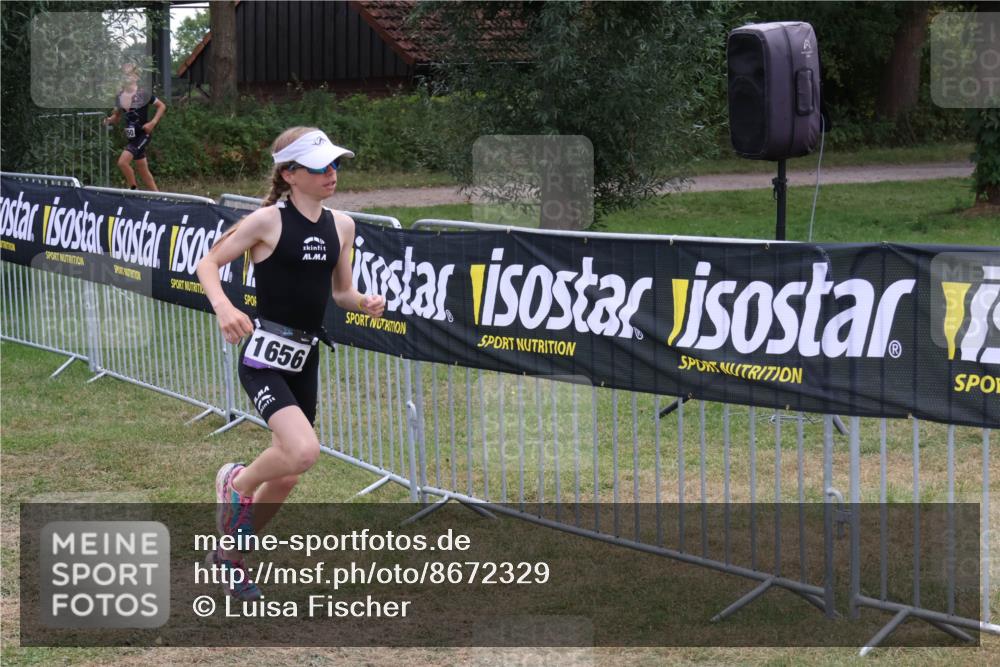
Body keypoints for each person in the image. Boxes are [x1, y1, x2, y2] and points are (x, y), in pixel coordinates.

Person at [196, 127, 386, 600]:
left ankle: (228, 557)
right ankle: (236, 482)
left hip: (305, 357)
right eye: (320, 167)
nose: (331, 174)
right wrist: (224, 307)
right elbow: (207, 264)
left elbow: (341, 292)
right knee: (302, 451)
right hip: (263, 359)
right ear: (290, 174)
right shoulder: (266, 221)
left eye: (335, 164)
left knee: (286, 475)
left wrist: (363, 301)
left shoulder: (343, 226)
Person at [103, 64, 166, 191]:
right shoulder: (119, 96)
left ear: (136, 77)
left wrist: (152, 123)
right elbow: (117, 116)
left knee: (122, 162)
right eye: (123, 74)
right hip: (132, 136)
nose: (125, 77)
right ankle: (159, 198)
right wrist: (109, 120)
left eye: (129, 74)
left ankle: (133, 191)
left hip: (143, 134)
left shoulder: (143, 94)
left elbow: (162, 106)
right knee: (143, 171)